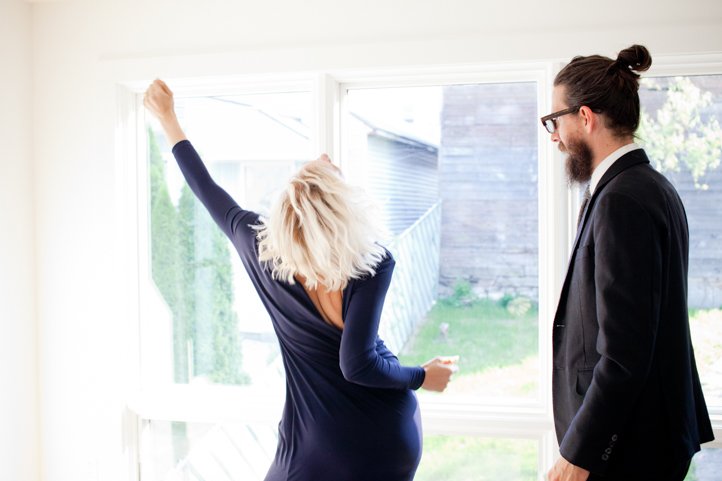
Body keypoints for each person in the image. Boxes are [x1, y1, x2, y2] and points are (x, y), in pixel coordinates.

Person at [143, 79, 457, 481]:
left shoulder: (259, 245)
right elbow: (357, 364)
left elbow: (206, 188)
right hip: (382, 437)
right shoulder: (371, 263)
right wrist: (422, 376)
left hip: (315, 446)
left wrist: (168, 120)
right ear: (341, 210)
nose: (324, 156)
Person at [542, 45, 714, 481]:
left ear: (585, 117)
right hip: (638, 434)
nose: (554, 136)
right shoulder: (647, 186)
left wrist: (579, 453)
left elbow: (624, 353)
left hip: (628, 446)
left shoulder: (622, 198)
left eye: (554, 121)